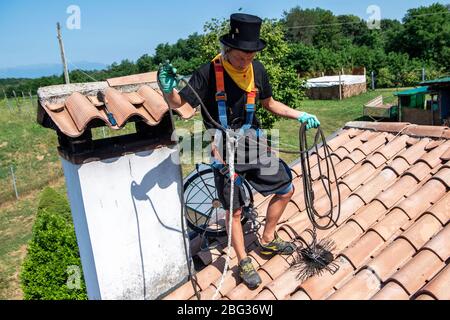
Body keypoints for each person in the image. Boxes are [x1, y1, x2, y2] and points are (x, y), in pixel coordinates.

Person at [158, 13, 320, 289]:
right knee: (233, 210)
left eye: (251, 54)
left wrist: (299, 114)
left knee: (285, 188)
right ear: (228, 48)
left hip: (253, 142)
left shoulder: (257, 71)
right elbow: (181, 107)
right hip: (222, 148)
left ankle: (267, 238)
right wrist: (167, 90)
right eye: (242, 54)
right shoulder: (207, 72)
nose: (247, 59)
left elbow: (269, 103)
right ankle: (244, 260)